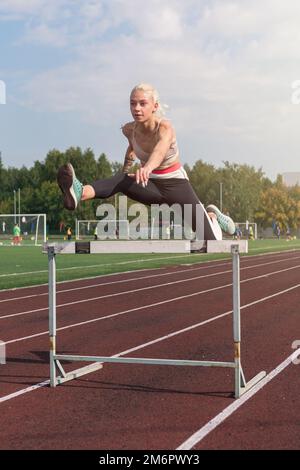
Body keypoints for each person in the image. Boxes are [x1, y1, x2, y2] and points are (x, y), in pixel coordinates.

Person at [57, 83, 235, 240]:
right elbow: (132, 148)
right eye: (133, 103)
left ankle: (212, 216)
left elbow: (160, 150)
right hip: (150, 185)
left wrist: (148, 167)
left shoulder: (165, 128)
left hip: (176, 185)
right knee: (122, 180)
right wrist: (125, 169)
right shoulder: (129, 130)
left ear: (155, 106)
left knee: (211, 242)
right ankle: (79, 192)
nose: (137, 108)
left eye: (143, 103)